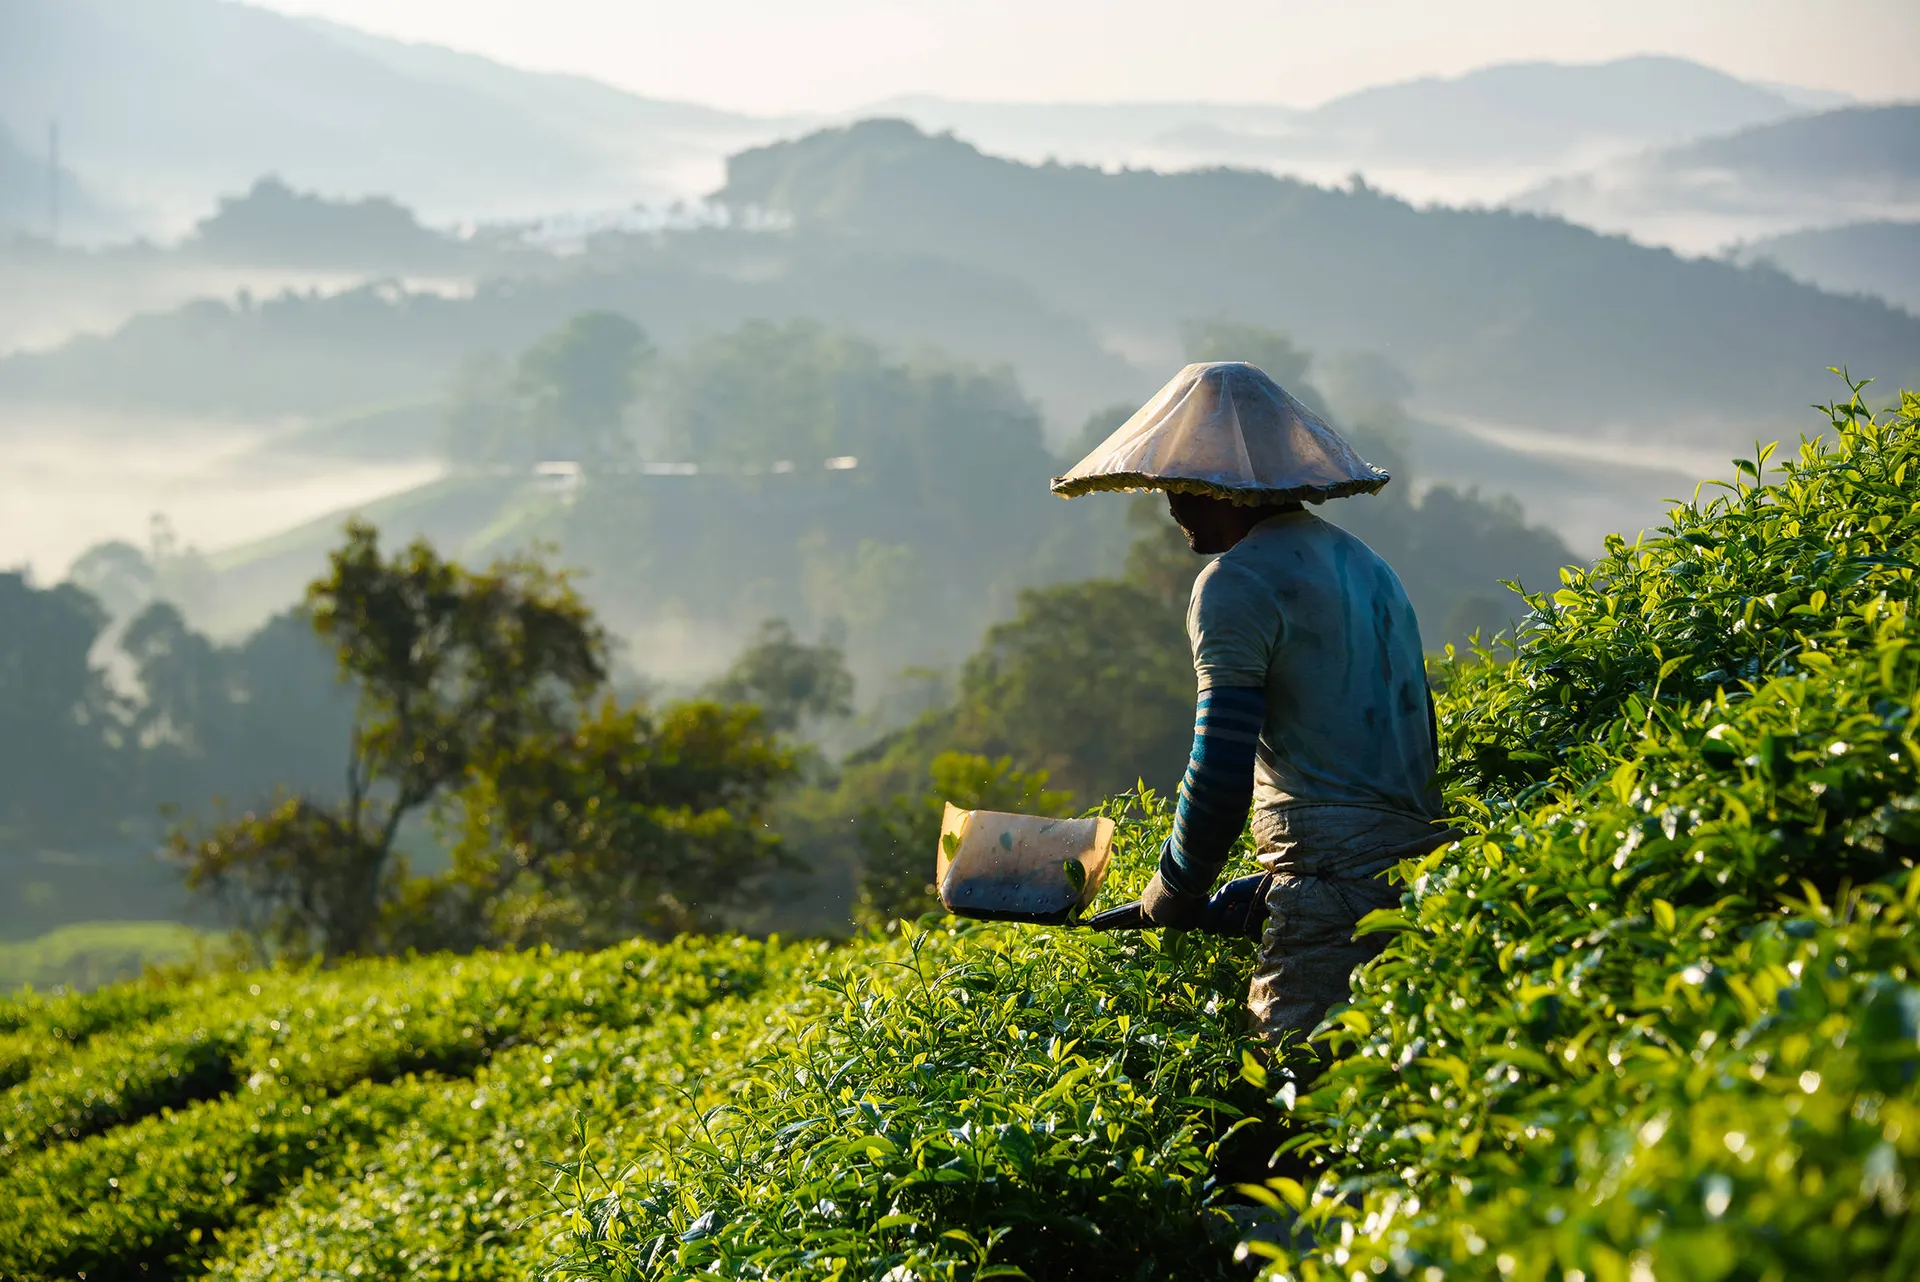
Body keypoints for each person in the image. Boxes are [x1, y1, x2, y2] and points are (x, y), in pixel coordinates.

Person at [1052, 361, 1456, 1046]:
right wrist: (1261, 889)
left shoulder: (1234, 583)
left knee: (1291, 1082)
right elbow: (1377, 771)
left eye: (1185, 483)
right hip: (1422, 877)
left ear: (1228, 487)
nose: (1172, 504)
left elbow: (1220, 769)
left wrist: (1173, 891)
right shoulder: (1368, 567)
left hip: (1332, 892)